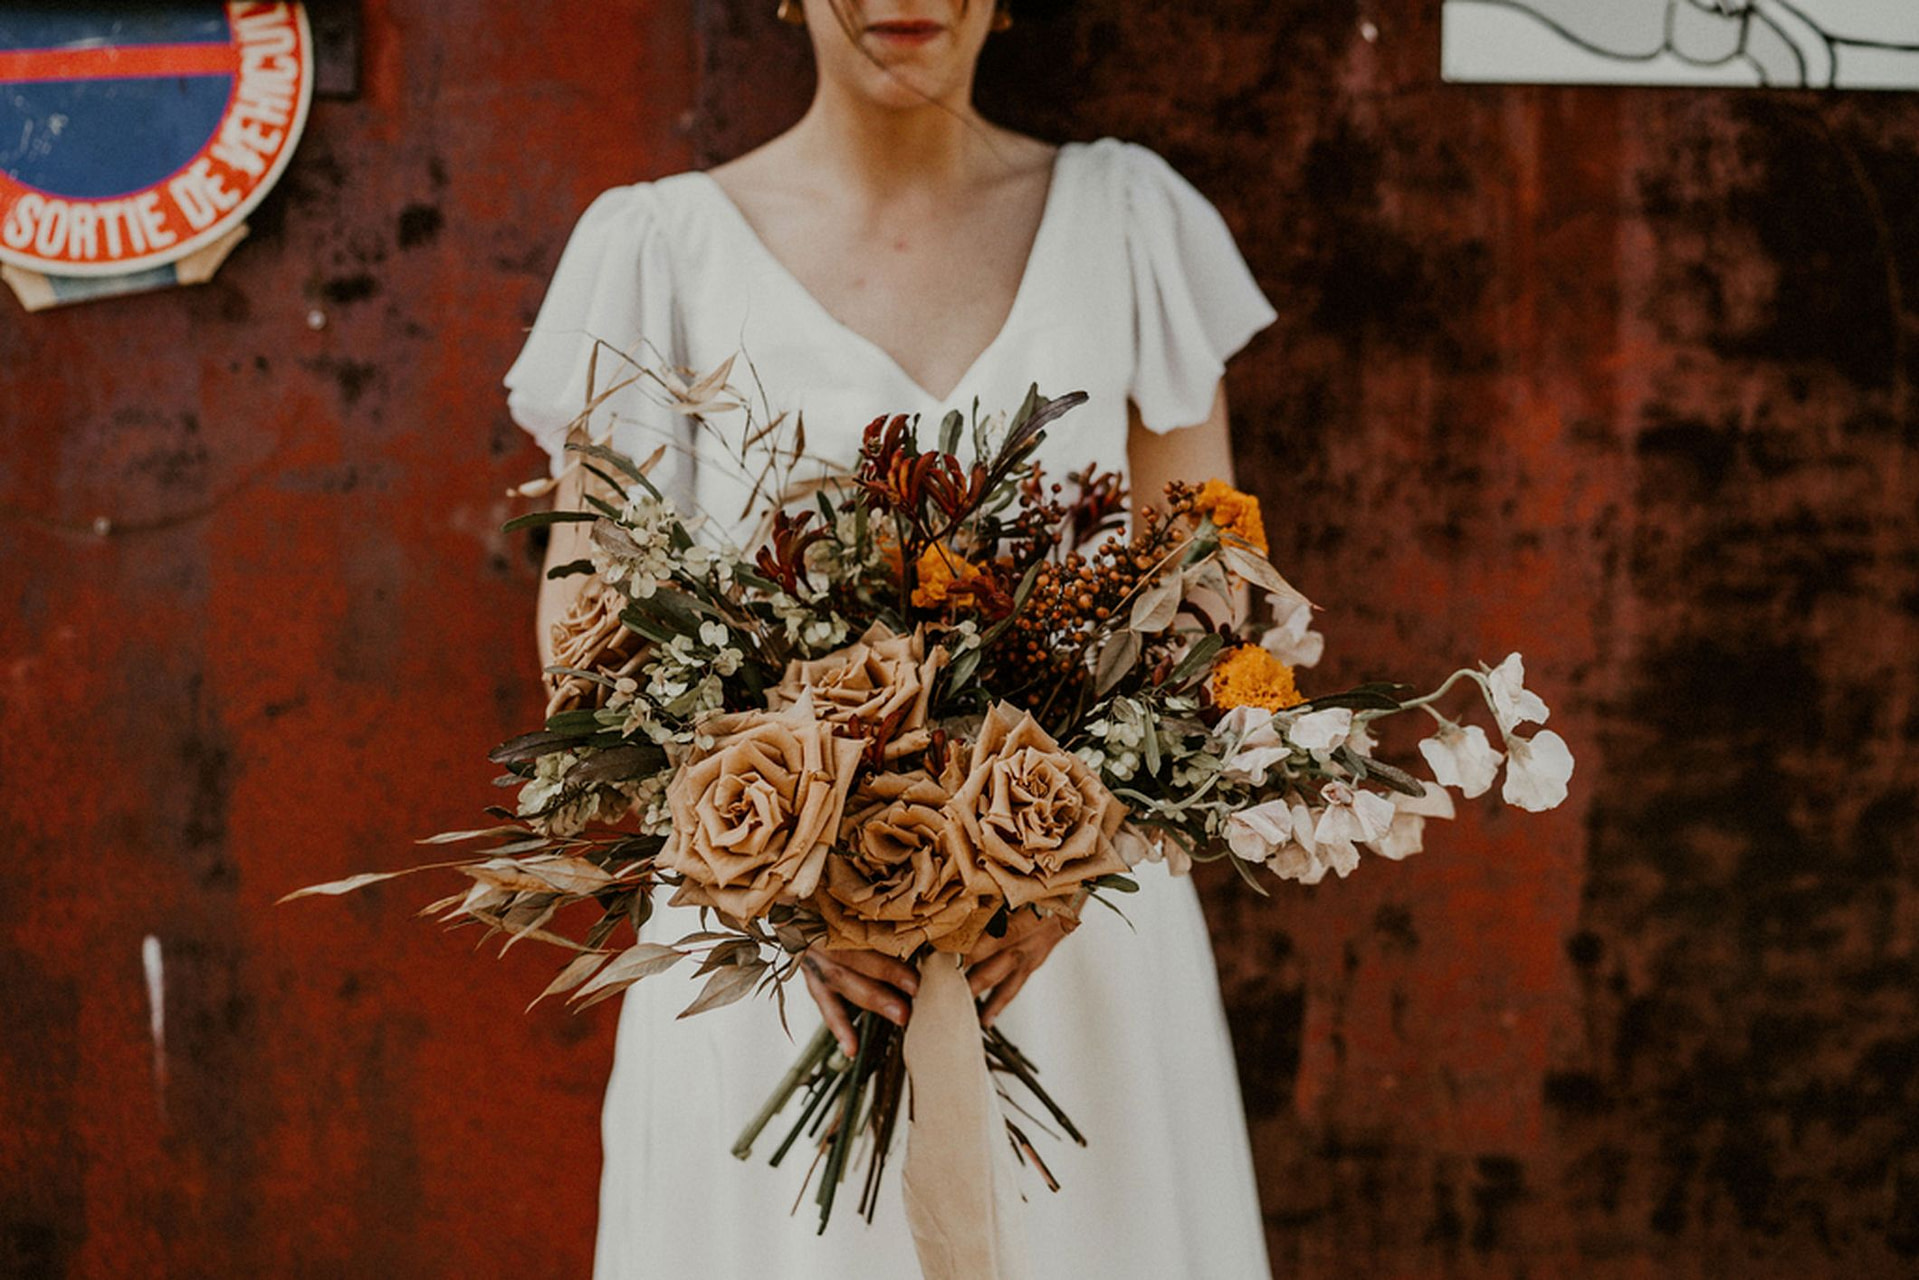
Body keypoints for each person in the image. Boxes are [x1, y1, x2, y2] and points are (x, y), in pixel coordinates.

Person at [503, 2, 1278, 1275]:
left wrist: (1060, 867)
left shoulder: (1128, 225)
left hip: (1072, 952)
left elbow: (1207, 591)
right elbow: (585, 629)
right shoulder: (656, 251)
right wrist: (789, 881)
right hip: (768, 972)